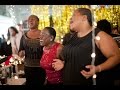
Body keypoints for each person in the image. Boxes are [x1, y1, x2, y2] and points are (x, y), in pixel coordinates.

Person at [52, 8, 120, 85]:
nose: (70, 18)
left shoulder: (99, 35)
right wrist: (63, 63)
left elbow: (116, 57)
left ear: (84, 18)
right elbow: (75, 58)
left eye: (74, 15)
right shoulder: (72, 37)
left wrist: (98, 68)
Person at [18, 15, 46, 86]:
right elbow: (20, 50)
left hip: (42, 67)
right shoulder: (24, 36)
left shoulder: (44, 35)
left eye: (33, 19)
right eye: (29, 20)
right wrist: (21, 53)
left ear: (38, 22)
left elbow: (50, 48)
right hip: (28, 67)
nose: (30, 20)